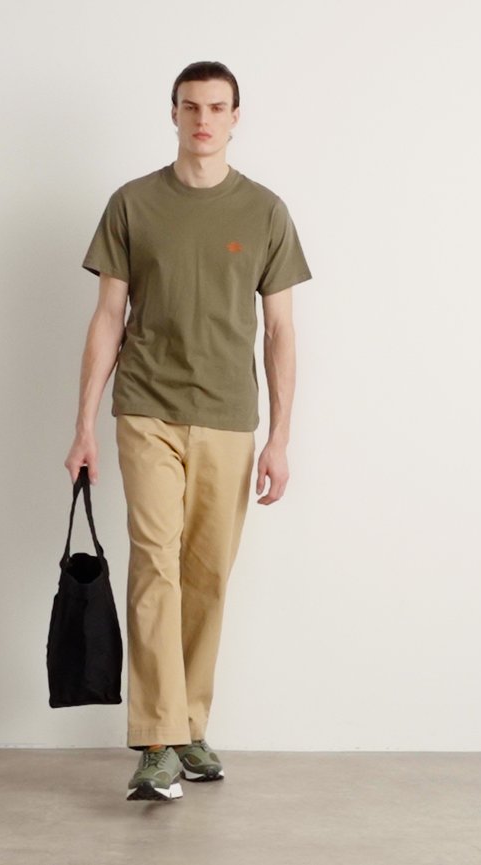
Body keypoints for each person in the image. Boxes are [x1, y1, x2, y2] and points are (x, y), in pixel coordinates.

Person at [64, 60, 312, 802]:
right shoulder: (133, 204)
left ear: (236, 117)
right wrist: (83, 425)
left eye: (217, 107)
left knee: (207, 575)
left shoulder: (264, 211)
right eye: (191, 106)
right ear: (172, 113)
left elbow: (281, 332)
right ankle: (156, 741)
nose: (203, 119)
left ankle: (188, 725)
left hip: (230, 417)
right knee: (155, 565)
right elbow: (109, 317)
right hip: (146, 407)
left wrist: (280, 438)